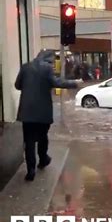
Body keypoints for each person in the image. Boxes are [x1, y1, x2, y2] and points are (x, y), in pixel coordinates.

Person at [15, 50, 81, 181]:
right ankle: (43, 159)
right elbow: (57, 83)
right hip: (43, 111)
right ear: (48, 59)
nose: (52, 63)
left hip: (27, 111)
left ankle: (31, 171)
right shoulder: (47, 68)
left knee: (29, 141)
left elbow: (17, 85)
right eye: (51, 61)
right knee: (42, 136)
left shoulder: (25, 66)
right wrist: (75, 83)